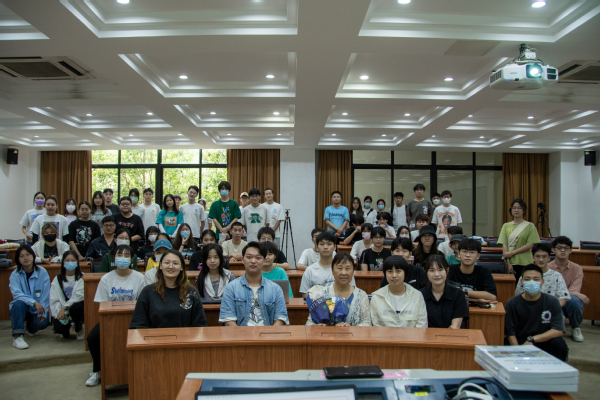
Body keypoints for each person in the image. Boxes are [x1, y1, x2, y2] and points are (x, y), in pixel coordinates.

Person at [86, 244, 145, 386]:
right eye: (119, 255)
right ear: (114, 258)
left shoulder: (139, 278)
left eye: (126, 255)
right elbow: (102, 304)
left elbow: (142, 303)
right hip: (110, 320)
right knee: (93, 337)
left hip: (134, 319)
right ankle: (97, 370)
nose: (122, 258)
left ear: (132, 259)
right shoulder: (106, 278)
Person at [504, 264, 568, 361]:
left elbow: (558, 330)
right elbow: (510, 332)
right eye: (527, 279)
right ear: (521, 281)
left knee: (559, 344)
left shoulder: (552, 302)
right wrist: (518, 351)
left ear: (542, 282)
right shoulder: (512, 303)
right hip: (520, 343)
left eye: (536, 279)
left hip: (543, 341)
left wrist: (533, 339)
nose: (531, 282)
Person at [131, 249, 208, 329]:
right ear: (161, 266)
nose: (171, 266)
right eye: (167, 263)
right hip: (154, 336)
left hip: (185, 336)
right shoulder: (147, 291)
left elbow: (200, 323)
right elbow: (138, 324)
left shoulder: (191, 292)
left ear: (181, 267)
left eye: (175, 263)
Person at [219, 242, 289, 326]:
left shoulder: (276, 289)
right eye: (249, 257)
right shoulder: (231, 288)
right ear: (242, 260)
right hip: (240, 333)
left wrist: (270, 334)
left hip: (268, 333)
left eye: (258, 258)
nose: (253, 261)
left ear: (264, 261)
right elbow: (228, 320)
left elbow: (280, 318)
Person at [306, 253, 371, 326]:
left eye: (348, 268)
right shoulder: (322, 295)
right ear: (332, 271)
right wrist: (319, 326)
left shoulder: (361, 295)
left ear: (353, 272)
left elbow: (367, 323)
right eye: (339, 268)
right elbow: (309, 323)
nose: (344, 273)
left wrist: (349, 328)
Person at [9, 245, 50, 349]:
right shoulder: (15, 274)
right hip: (21, 308)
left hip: (37, 309)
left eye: (28, 255)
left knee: (42, 323)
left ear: (33, 256)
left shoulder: (42, 272)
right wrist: (34, 302)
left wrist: (43, 311)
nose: (25, 258)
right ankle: (17, 337)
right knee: (18, 304)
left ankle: (30, 328)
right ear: (18, 259)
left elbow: (46, 295)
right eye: (22, 256)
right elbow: (17, 294)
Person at [549, 236, 588, 342]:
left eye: (566, 248)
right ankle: (556, 327)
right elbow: (549, 290)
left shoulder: (577, 268)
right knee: (554, 300)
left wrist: (576, 294)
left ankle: (575, 327)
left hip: (570, 299)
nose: (563, 250)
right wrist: (577, 294)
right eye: (559, 248)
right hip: (553, 298)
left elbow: (575, 290)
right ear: (553, 249)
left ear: (570, 250)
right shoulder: (547, 267)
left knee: (575, 301)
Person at [370, 256, 427, 327]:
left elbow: (422, 325)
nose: (394, 275)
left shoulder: (417, 295)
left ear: (405, 273)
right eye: (390, 271)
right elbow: (375, 325)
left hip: (412, 334)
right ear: (385, 274)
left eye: (398, 271)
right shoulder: (377, 297)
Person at [300, 232, 356, 297]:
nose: (325, 247)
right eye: (322, 244)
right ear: (317, 247)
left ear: (335, 247)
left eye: (329, 244)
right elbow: (305, 294)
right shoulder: (310, 270)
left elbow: (352, 290)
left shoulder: (343, 269)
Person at [498, 198, 540, 282]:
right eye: (514, 208)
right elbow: (504, 244)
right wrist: (508, 263)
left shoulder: (530, 226)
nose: (516, 210)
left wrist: (512, 253)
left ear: (524, 210)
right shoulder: (506, 226)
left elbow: (530, 245)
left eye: (519, 208)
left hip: (525, 261)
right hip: (510, 262)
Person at [421, 255, 469, 329]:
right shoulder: (420, 295)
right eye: (432, 270)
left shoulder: (458, 294)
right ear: (426, 272)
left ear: (447, 270)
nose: (436, 274)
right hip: (426, 335)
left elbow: (455, 326)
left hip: (451, 335)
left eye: (440, 270)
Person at [449, 238, 497, 303]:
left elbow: (492, 296)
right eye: (464, 251)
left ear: (478, 256)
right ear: (459, 254)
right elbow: (446, 294)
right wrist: (475, 300)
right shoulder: (450, 270)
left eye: (472, 252)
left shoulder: (483, 271)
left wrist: (463, 291)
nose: (468, 255)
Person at [49, 251, 85, 340]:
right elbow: (54, 299)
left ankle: (78, 328)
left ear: (77, 262)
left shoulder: (82, 277)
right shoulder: (57, 279)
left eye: (73, 260)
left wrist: (64, 307)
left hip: (76, 308)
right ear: (63, 262)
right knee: (59, 328)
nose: (70, 263)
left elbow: (79, 296)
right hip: (62, 310)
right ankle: (65, 330)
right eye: (67, 260)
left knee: (76, 307)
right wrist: (59, 312)